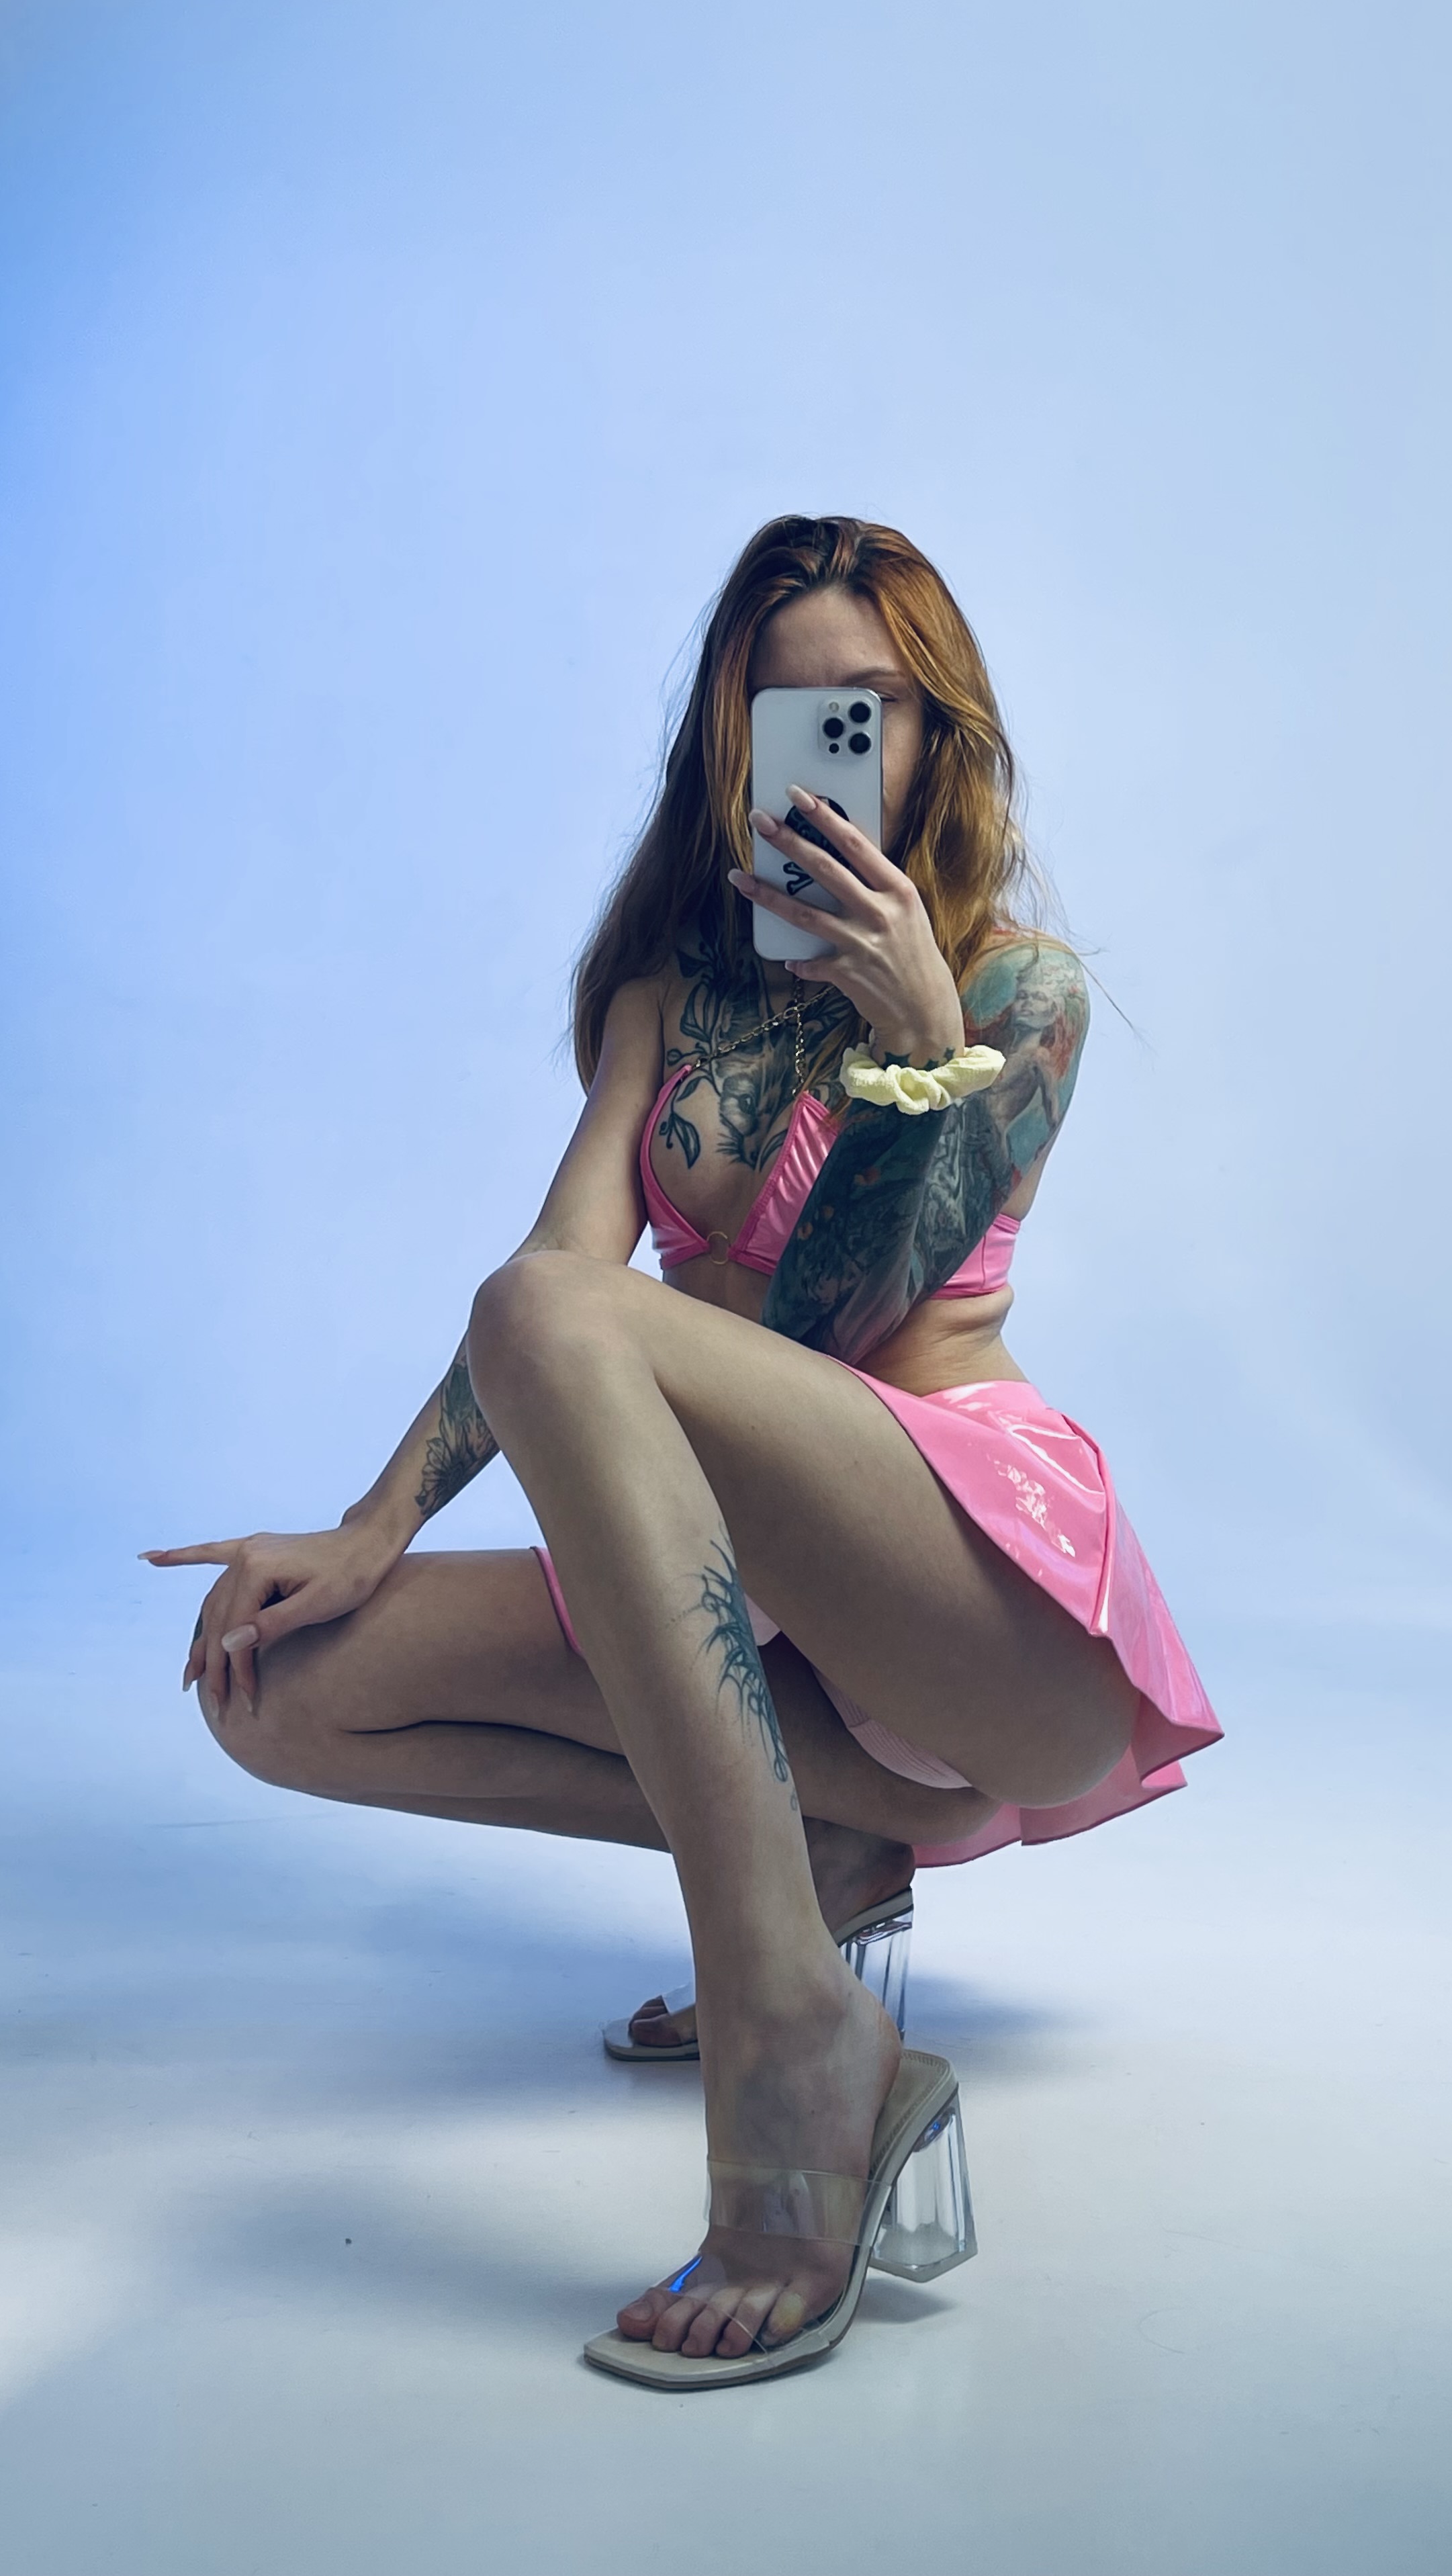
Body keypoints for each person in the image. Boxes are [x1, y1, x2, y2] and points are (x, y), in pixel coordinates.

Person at [144, 515, 1222, 2387]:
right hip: (732, 1594)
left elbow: (830, 1337)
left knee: (557, 1316)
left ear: (936, 736)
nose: (823, 756)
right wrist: (371, 1526)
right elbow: (549, 1295)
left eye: (865, 711)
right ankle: (819, 1860)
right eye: (781, 711)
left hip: (971, 1620)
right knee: (272, 1682)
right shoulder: (664, 1008)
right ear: (727, 736)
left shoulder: (1016, 1000)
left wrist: (913, 1054)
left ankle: (785, 2027)